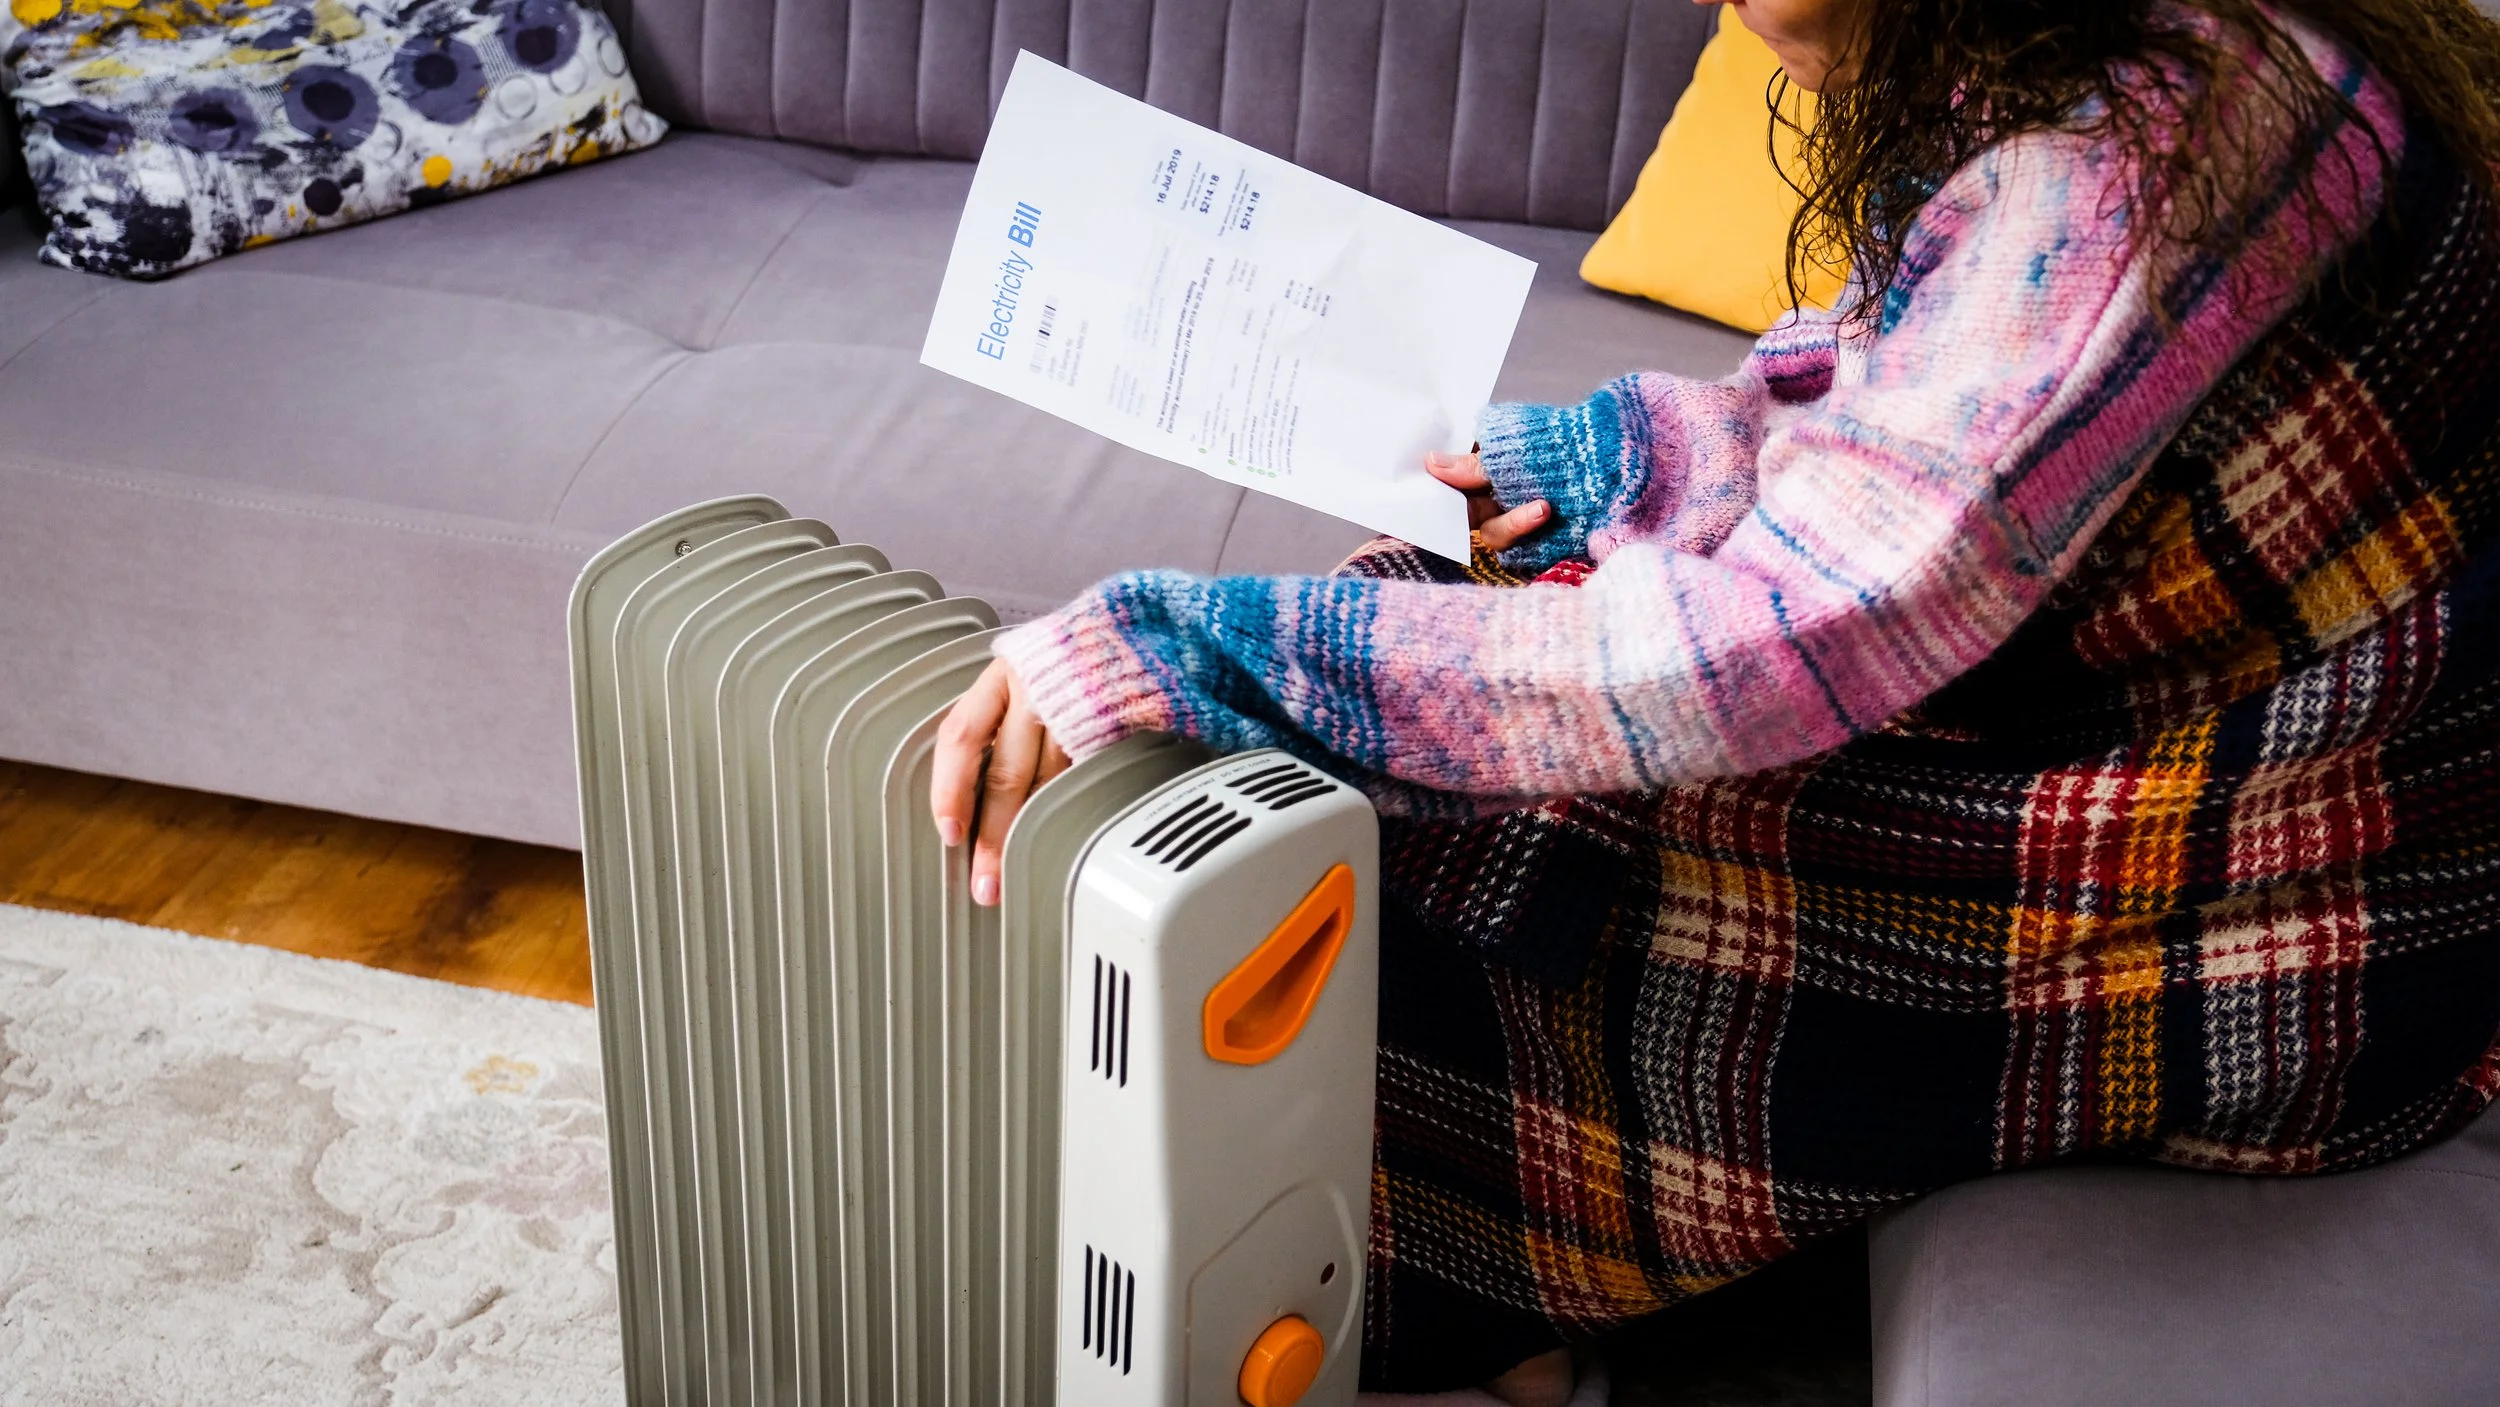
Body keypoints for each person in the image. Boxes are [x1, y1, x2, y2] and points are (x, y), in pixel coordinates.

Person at [933, 0, 2500, 1401]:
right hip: (2183, 753)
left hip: (2276, 905)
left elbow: (1784, 646)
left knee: (1471, 888)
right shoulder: (2120, 61)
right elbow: (1898, 395)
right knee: (1443, 655)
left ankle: (1432, 1310)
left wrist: (1211, 651)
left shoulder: (2144, 156)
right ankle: (1461, 1305)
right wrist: (1619, 463)